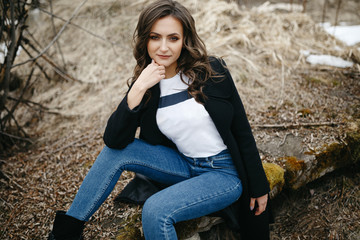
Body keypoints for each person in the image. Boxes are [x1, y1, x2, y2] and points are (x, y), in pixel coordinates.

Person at [47, 0, 271, 239]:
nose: (163, 47)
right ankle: (66, 233)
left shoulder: (212, 71)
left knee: (155, 210)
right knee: (117, 153)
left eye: (173, 38)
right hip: (183, 164)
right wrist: (138, 88)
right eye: (155, 37)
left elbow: (242, 131)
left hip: (223, 173)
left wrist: (259, 187)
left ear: (185, 40)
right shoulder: (148, 83)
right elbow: (114, 140)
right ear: (145, 40)